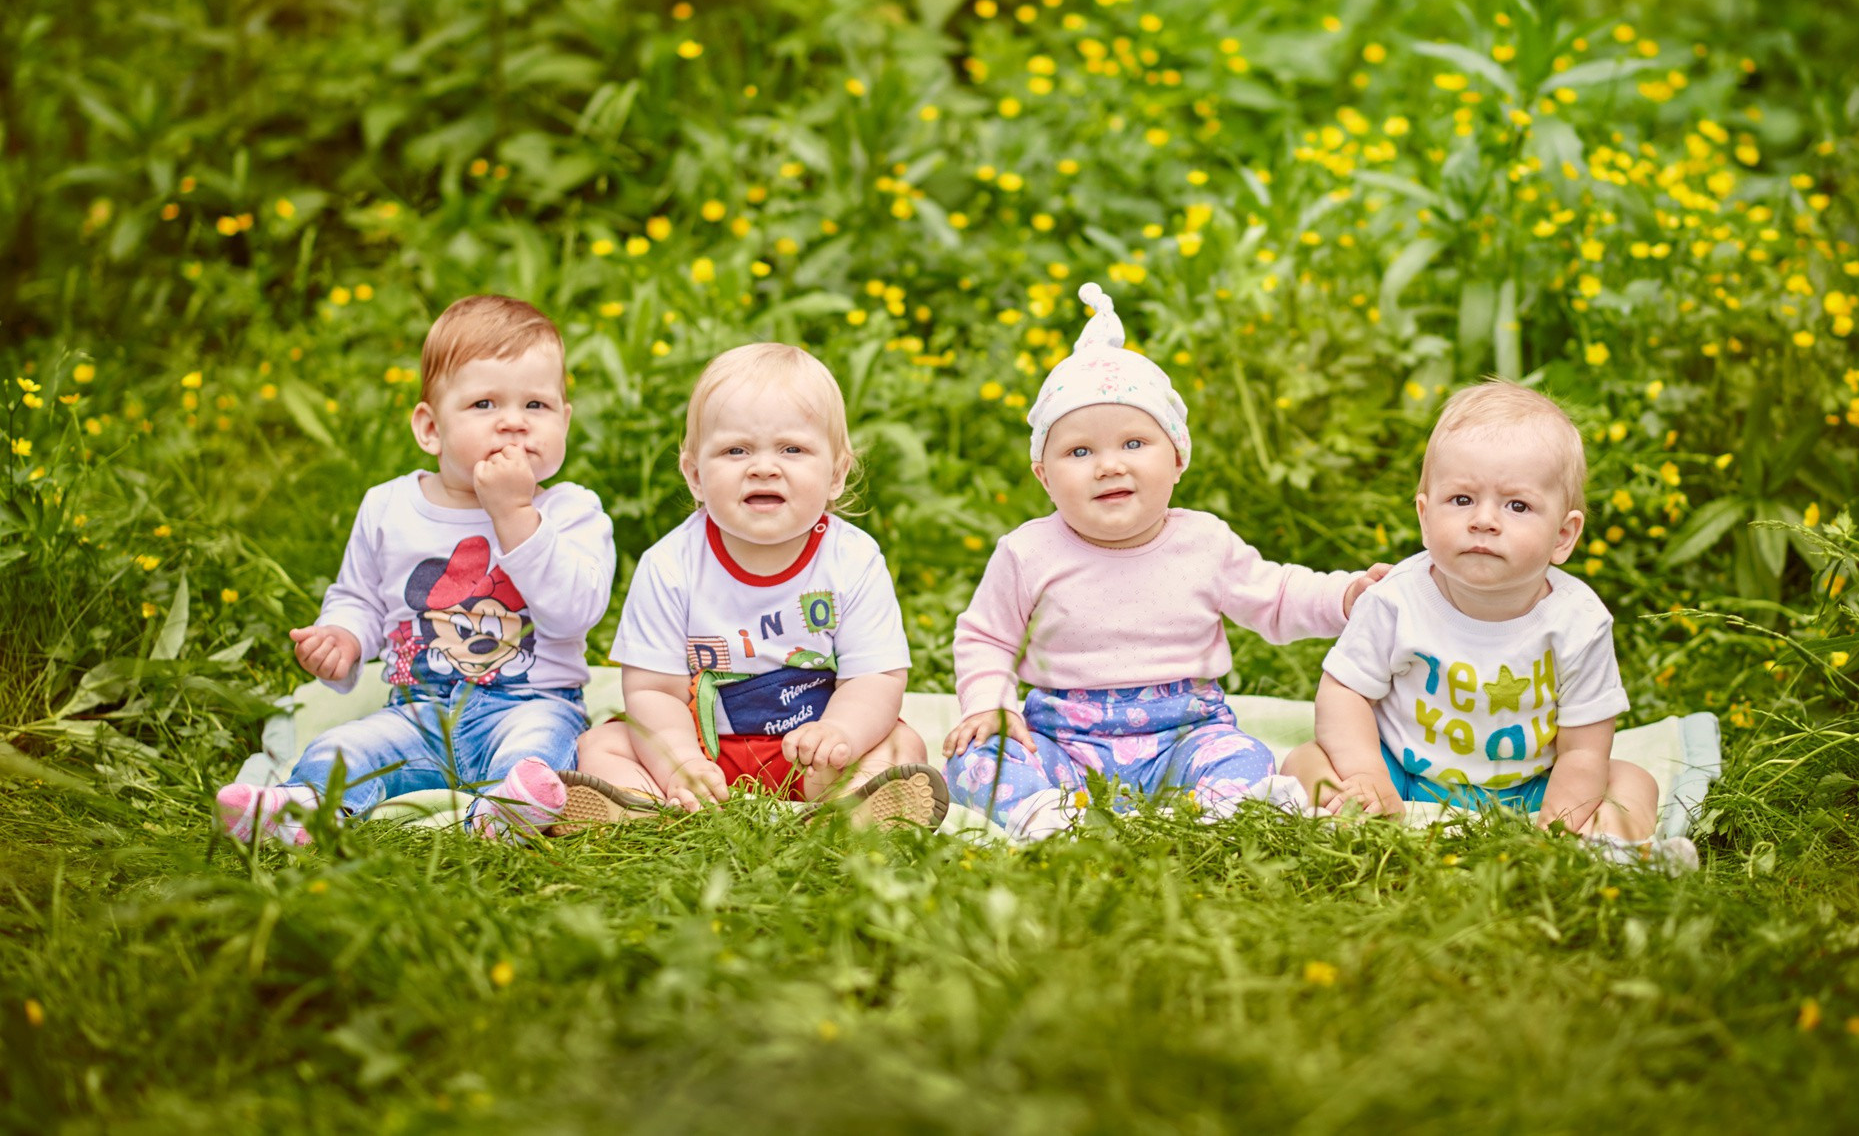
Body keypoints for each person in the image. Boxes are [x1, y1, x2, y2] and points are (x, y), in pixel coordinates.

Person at [943, 282, 1387, 840]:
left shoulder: (1204, 543)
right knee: (977, 757)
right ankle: (1047, 817)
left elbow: (1276, 595)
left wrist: (1344, 596)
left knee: (1244, 756)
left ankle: (1215, 813)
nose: (1108, 465)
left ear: (1177, 458)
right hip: (1065, 743)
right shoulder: (1028, 551)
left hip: (1186, 733)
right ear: (1044, 475)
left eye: (1134, 444)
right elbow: (986, 638)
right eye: (1079, 451)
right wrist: (991, 706)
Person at [216, 295, 614, 846]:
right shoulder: (389, 508)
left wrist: (515, 514)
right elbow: (359, 597)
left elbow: (574, 615)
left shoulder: (571, 512)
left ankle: (504, 812)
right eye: (483, 405)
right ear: (430, 428)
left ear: (565, 422)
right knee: (347, 747)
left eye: (537, 407)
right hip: (417, 711)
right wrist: (343, 639)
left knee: (540, 750)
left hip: (531, 704)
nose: (514, 424)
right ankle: (303, 810)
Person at [1284, 379, 1697, 869]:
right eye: (1461, 500)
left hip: (1531, 787)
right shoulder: (1396, 598)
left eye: (1516, 506)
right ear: (1424, 515)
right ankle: (1358, 822)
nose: (1484, 520)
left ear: (1563, 535)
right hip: (1404, 773)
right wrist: (1369, 772)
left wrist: (1561, 815)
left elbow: (1584, 747)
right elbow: (1344, 693)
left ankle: (1603, 850)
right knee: (1304, 762)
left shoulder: (1577, 622)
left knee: (1630, 780)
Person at [559, 342, 947, 830]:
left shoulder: (852, 560)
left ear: (836, 474)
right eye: (735, 450)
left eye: (793, 449)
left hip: (811, 759)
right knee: (603, 744)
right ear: (696, 476)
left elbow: (875, 678)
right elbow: (654, 690)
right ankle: (641, 806)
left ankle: (846, 812)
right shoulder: (671, 565)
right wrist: (680, 763)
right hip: (700, 748)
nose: (763, 467)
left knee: (899, 744)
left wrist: (839, 731)